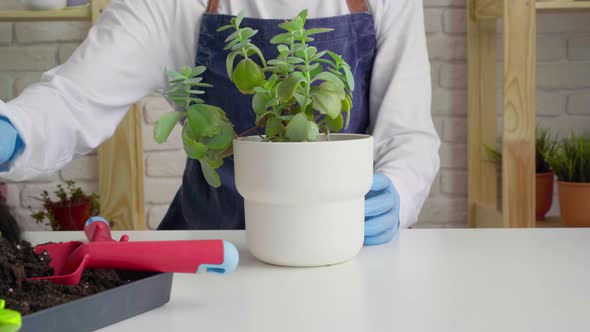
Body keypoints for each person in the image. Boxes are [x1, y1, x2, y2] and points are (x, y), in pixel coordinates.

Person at [0, 0, 439, 245]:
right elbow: (74, 98)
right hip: (209, 254)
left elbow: (407, 133)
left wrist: (396, 192)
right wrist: (15, 128)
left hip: (341, 248)